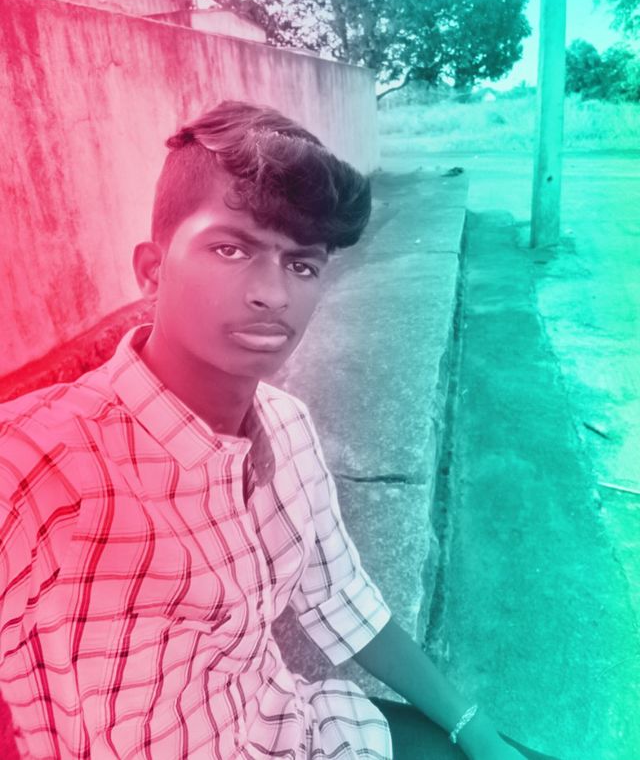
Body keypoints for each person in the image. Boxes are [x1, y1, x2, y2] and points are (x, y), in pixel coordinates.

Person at [0, 101, 557, 759]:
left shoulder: (287, 428)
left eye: (302, 264)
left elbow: (342, 597)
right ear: (152, 269)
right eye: (231, 248)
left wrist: (473, 726)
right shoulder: (37, 466)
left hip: (298, 731)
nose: (273, 293)